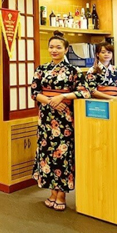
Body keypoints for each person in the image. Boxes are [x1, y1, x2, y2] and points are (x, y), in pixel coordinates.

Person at [30, 32, 89, 211]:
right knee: (47, 154)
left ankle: (62, 194)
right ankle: (52, 192)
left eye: (58, 47)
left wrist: (62, 97)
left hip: (64, 119)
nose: (54, 50)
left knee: (63, 155)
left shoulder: (74, 70)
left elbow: (84, 92)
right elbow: (34, 92)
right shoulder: (41, 69)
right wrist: (50, 101)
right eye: (51, 47)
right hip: (46, 118)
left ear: (66, 49)